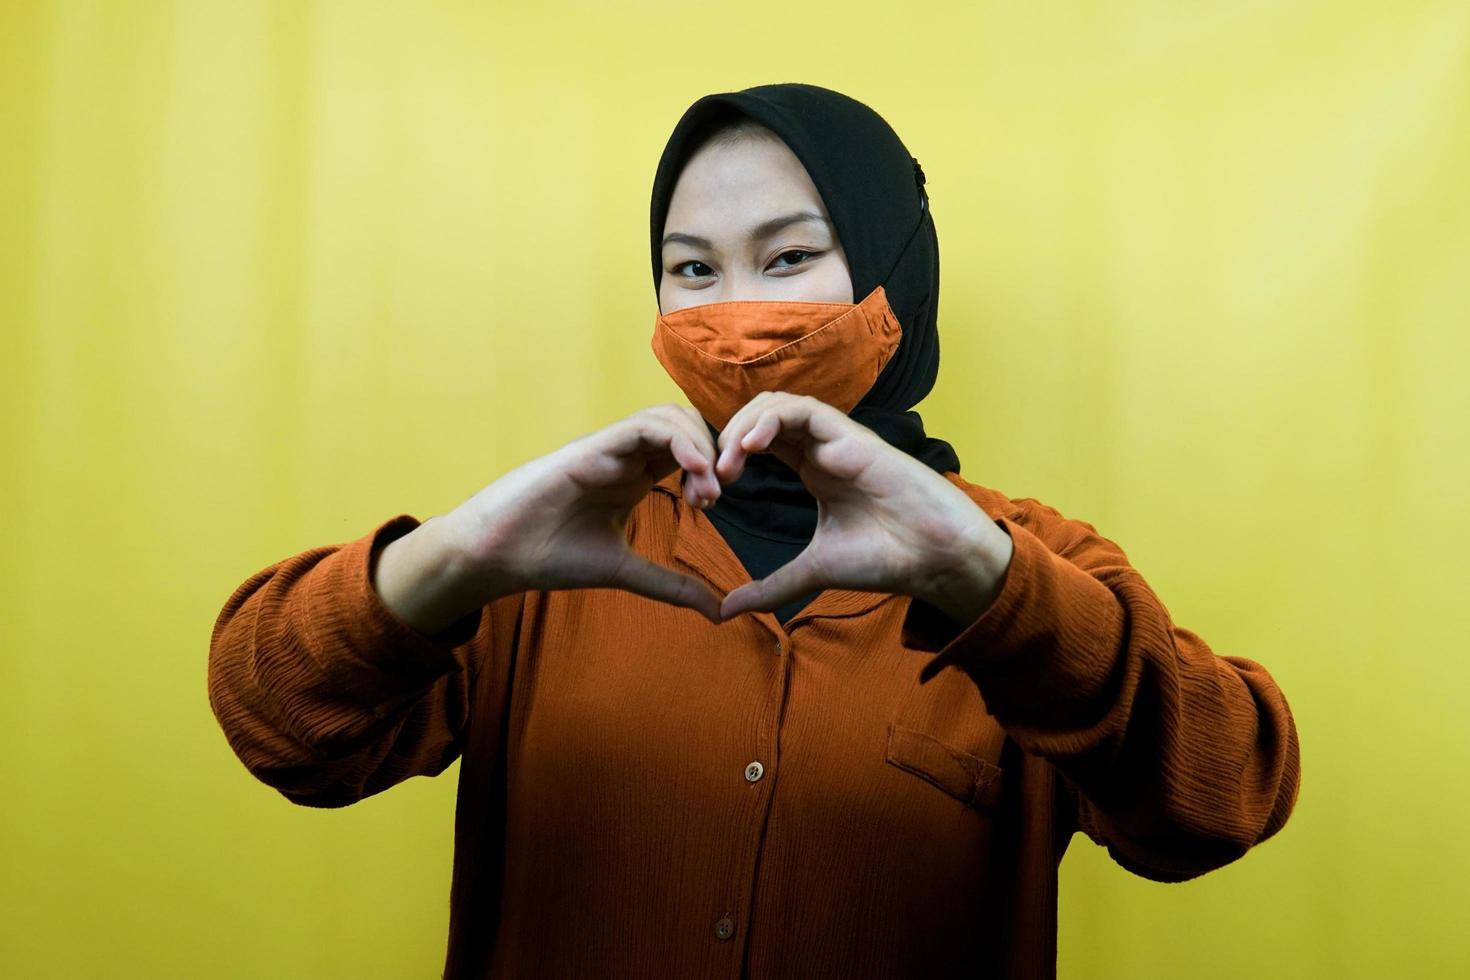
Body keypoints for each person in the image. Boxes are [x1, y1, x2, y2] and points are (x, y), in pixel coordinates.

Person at [208, 83, 1301, 980]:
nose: (734, 316)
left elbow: (1221, 799)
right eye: (693, 269)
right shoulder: (547, 551)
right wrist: (449, 559)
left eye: (786, 259)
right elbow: (279, 724)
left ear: (895, 279)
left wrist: (987, 580)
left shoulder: (1032, 562)